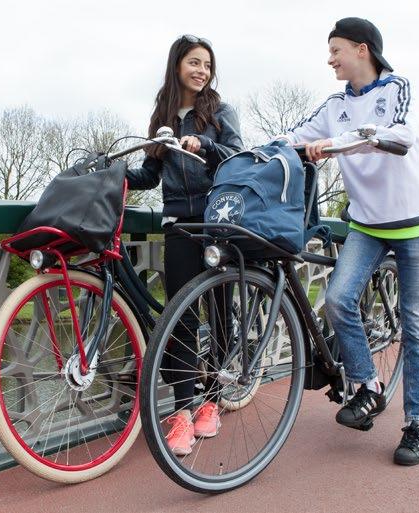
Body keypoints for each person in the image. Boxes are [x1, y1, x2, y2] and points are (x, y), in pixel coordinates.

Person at [276, 17, 419, 466]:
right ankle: (369, 385)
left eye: (336, 50)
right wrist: (263, 151)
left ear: (361, 49)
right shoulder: (333, 105)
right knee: (338, 300)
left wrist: (335, 144)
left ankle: (417, 425)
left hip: (414, 225)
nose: (330, 59)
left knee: (416, 327)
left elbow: (398, 136)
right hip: (366, 225)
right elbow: (293, 136)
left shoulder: (395, 88)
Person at [125, 34, 244, 457]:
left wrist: (205, 144)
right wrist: (117, 176)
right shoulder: (164, 114)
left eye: (207, 65)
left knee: (220, 308)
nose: (201, 71)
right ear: (177, 65)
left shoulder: (219, 111)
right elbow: (151, 173)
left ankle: (211, 399)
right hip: (177, 222)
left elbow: (237, 156)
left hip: (217, 219)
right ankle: (182, 409)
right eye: (194, 62)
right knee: (181, 317)